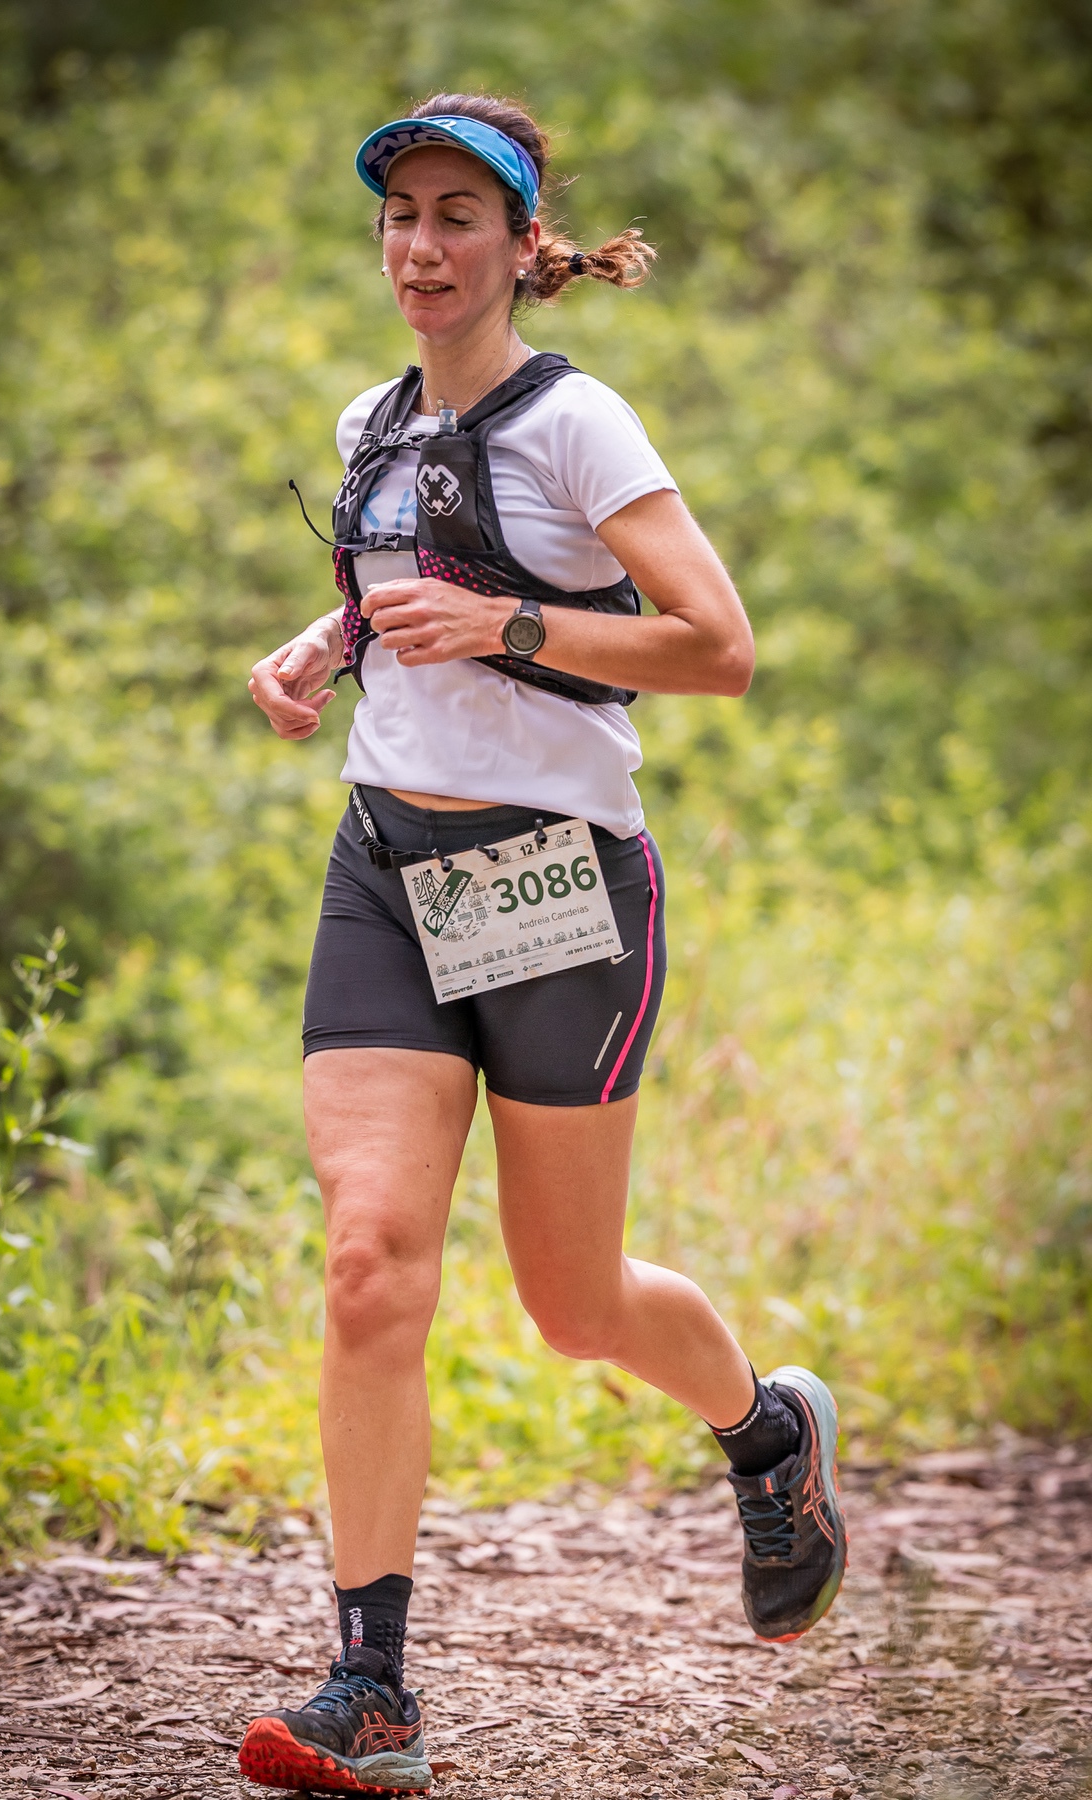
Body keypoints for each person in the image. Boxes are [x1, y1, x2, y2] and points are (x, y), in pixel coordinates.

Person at [239, 93, 846, 1797]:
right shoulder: (371, 419)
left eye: (457, 217)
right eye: (400, 217)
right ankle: (374, 1690)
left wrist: (504, 619)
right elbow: (395, 591)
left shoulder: (582, 424)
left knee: (573, 1304)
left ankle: (766, 1431)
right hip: (387, 868)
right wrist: (322, 649)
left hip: (555, 884)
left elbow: (718, 647)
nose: (421, 247)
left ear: (521, 244)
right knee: (372, 1260)